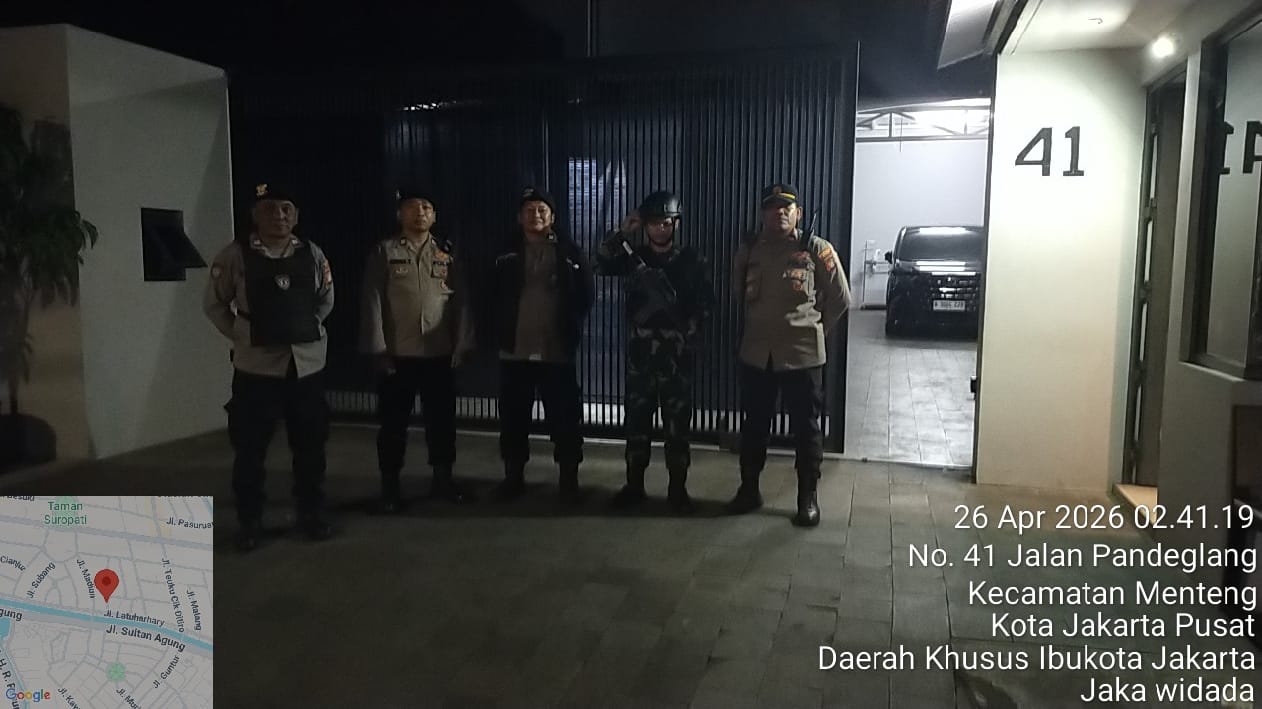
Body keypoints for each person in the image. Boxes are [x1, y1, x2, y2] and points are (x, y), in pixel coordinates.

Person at [204, 182, 336, 551]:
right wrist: (242, 334)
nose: (279, 215)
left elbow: (326, 299)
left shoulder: (312, 253)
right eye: (270, 209)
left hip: (305, 367)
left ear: (296, 215)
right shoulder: (234, 255)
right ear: (255, 214)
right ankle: (250, 521)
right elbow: (214, 305)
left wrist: (304, 330)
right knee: (250, 451)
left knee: (310, 448)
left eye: (286, 209)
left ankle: (311, 514)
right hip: (257, 371)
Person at [729, 183, 850, 526]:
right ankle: (749, 489)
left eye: (787, 207)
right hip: (757, 353)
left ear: (798, 213)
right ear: (763, 213)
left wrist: (816, 329)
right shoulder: (749, 249)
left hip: (803, 356)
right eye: (772, 207)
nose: (780, 212)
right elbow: (737, 292)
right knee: (754, 426)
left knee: (806, 429)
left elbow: (841, 299)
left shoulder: (816, 249)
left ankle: (807, 497)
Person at [595, 191, 714, 513]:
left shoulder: (691, 260)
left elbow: (706, 303)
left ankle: (677, 489)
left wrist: (690, 329)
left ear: (676, 224)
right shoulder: (633, 257)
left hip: (676, 357)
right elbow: (598, 262)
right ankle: (634, 486)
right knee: (637, 425)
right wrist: (623, 231)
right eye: (653, 223)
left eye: (666, 223)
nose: (660, 229)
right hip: (641, 357)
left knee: (677, 429)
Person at [360, 187, 476, 514]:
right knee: (393, 424)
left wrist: (463, 343)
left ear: (434, 216)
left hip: (439, 354)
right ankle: (390, 487)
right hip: (398, 355)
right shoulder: (384, 251)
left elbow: (461, 302)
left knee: (442, 422)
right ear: (400, 214)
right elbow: (372, 301)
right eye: (412, 207)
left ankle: (443, 479)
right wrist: (378, 348)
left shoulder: (446, 254)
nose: (420, 213)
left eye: (426, 207)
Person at [490, 187, 595, 503]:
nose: (535, 215)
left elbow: (586, 294)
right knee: (513, 419)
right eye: (529, 210)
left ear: (552, 217)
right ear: (519, 217)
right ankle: (513, 477)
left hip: (556, 351)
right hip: (515, 350)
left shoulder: (570, 252)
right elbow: (488, 293)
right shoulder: (504, 252)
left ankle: (568, 480)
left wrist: (570, 326)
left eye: (541, 210)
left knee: (565, 418)